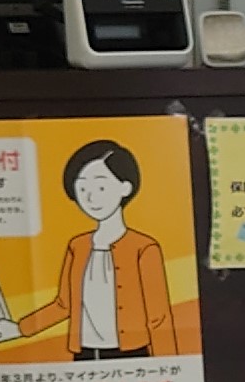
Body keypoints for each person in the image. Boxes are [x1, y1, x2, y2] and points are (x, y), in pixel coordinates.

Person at [18, 138, 176, 360]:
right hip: (84, 354)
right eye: (82, 188)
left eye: (101, 187)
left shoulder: (144, 248)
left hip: (131, 354)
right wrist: (17, 329)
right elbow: (63, 305)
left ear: (125, 187)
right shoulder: (78, 246)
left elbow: (158, 317)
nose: (90, 197)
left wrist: (169, 366)